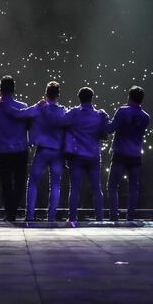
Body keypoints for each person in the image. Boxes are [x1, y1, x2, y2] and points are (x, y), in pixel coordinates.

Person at [0, 81, 66, 221]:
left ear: (46, 94)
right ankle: (51, 217)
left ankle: (30, 215)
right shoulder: (63, 111)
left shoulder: (38, 108)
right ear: (58, 95)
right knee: (55, 184)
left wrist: (2, 103)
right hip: (58, 152)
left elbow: (17, 114)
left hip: (42, 150)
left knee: (32, 182)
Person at [0, 75, 29, 221]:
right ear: (14, 90)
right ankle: (13, 211)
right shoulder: (23, 106)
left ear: (0, 89)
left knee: (6, 185)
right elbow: (29, 128)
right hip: (20, 150)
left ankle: (10, 213)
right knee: (20, 183)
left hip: (2, 151)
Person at [62, 87, 109, 223]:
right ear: (92, 98)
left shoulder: (74, 113)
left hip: (76, 155)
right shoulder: (99, 115)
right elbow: (104, 134)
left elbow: (61, 122)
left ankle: (72, 218)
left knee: (75, 188)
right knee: (96, 187)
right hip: (93, 155)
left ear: (79, 98)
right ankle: (99, 218)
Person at [106, 86, 150, 221]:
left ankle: (114, 216)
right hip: (136, 155)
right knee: (133, 188)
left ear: (129, 96)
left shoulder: (122, 111)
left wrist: (104, 118)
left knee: (112, 186)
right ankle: (130, 217)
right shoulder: (146, 117)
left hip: (120, 153)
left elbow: (110, 128)